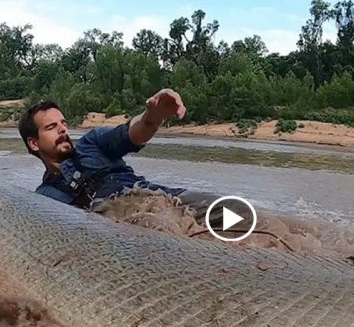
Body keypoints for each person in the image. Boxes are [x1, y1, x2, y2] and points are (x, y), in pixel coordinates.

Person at [17, 89, 248, 227]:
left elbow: (131, 134)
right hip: (124, 224)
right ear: (34, 143)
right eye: (51, 127)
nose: (62, 130)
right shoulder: (44, 198)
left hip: (160, 197)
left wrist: (152, 116)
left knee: (237, 211)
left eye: (63, 123)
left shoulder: (92, 143)